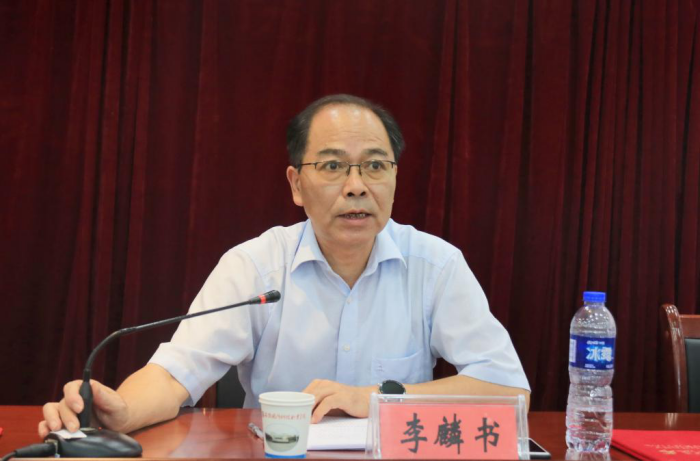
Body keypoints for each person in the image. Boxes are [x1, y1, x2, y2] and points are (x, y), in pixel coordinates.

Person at [39, 94, 530, 437]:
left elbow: (509, 390)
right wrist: (123, 412)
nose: (357, 186)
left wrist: (377, 398)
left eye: (376, 166)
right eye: (333, 166)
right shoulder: (255, 266)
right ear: (296, 184)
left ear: (394, 179)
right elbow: (174, 375)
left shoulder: (435, 265)